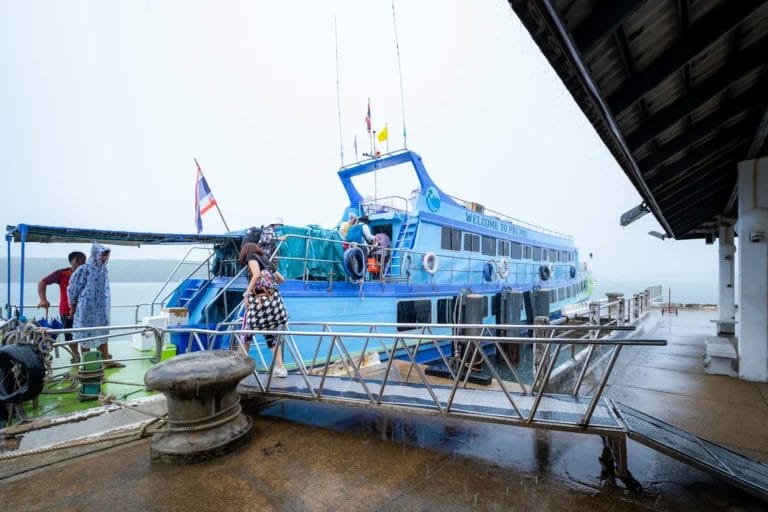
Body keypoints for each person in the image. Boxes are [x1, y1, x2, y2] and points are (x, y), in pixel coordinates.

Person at [67, 243, 123, 368]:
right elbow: (73, 288)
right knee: (85, 334)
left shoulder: (103, 270)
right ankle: (87, 364)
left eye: (106, 256)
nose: (104, 258)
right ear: (95, 254)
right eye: (102, 255)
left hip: (101, 308)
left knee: (102, 332)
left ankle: (105, 360)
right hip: (86, 308)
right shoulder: (84, 269)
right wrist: (72, 305)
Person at [239, 242, 288, 377]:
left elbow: (255, 275)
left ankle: (240, 367)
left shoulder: (251, 257)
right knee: (271, 336)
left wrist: (247, 292)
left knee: (245, 335)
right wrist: (268, 285)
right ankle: (281, 368)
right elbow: (281, 280)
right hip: (271, 307)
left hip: (258, 307)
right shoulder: (266, 260)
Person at [37, 251, 87, 363]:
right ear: (71, 261)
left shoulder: (88, 273)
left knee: (84, 333)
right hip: (66, 311)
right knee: (69, 334)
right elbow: (42, 282)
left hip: (84, 311)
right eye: (77, 260)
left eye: (83, 260)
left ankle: (86, 357)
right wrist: (43, 299)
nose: (81, 263)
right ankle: (76, 355)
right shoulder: (62, 273)